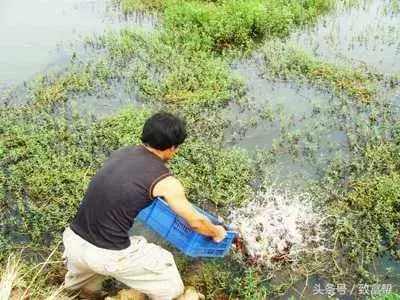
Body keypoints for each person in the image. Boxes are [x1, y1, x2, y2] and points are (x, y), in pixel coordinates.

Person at [62, 112, 227, 299]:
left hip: (74, 242)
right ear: (173, 148)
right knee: (168, 276)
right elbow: (197, 222)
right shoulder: (165, 181)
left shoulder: (121, 153)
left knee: (82, 290)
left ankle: (84, 290)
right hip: (108, 255)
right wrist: (217, 233)